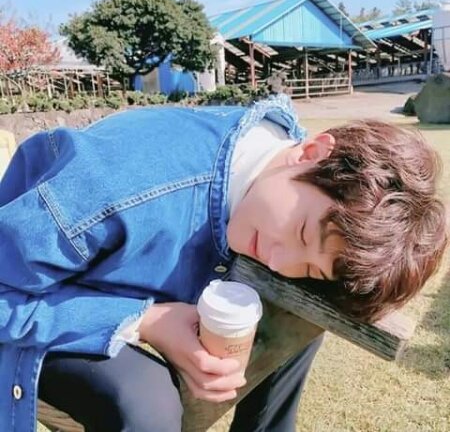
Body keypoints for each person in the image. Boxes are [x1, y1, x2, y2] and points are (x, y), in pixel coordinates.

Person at [0, 95, 447, 432]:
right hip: (29, 295)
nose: (278, 260)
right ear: (312, 152)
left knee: (296, 312)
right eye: (302, 234)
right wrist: (145, 321)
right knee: (147, 404)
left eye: (310, 266)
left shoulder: (282, 175)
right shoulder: (116, 185)